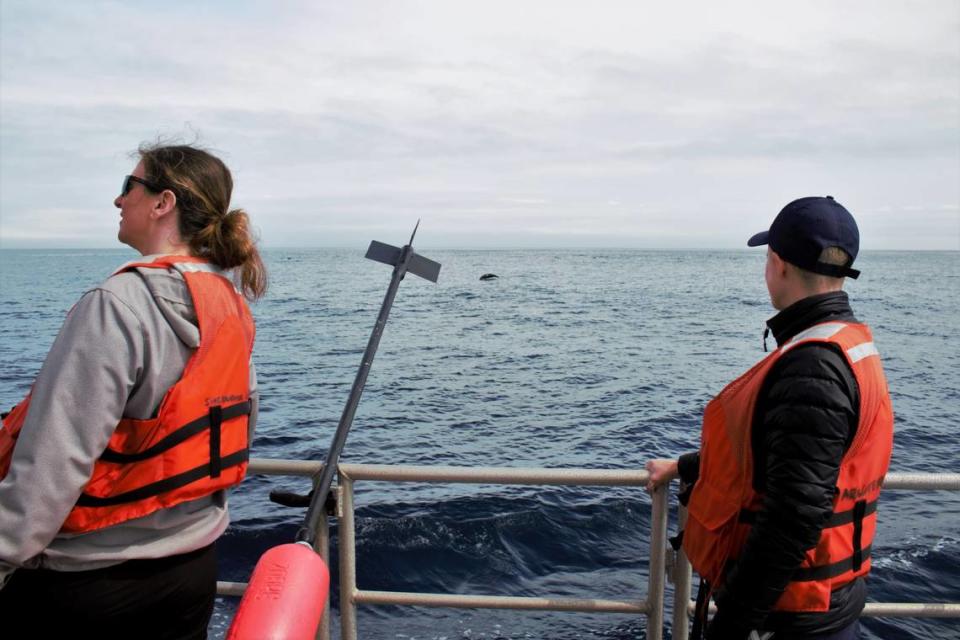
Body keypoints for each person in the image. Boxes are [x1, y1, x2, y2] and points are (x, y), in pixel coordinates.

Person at [0, 143, 267, 639]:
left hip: (88, 582)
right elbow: (234, 428)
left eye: (129, 186)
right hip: (190, 570)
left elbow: (57, 458)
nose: (119, 201)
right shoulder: (227, 303)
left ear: (162, 202)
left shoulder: (115, 304)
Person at [646, 196, 893, 640]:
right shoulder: (847, 345)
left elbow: (793, 516)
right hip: (825, 607)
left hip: (790, 620)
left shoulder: (812, 366)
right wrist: (685, 467)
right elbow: (784, 461)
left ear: (777, 263)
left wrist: (731, 628)